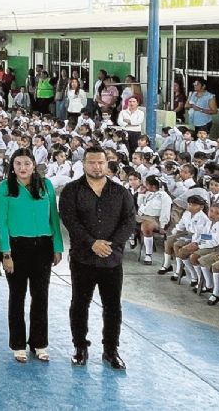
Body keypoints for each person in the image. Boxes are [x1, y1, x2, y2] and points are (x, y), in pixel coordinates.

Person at [59, 146, 135, 370]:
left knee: (113, 307)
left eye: (100, 162)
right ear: (83, 164)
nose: (97, 166)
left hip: (111, 260)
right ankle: (80, 347)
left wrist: (110, 245)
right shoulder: (72, 191)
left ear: (107, 163)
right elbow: (70, 220)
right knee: (80, 304)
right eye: (92, 162)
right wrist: (92, 242)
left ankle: (111, 350)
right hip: (83, 258)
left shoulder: (121, 192)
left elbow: (129, 222)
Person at [0, 148, 63, 363]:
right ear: (12, 167)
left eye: (27, 163)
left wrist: (57, 246)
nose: (22, 168)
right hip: (16, 247)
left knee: (40, 296)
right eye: (18, 164)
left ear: (34, 165)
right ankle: (18, 345)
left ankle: (39, 343)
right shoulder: (4, 189)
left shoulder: (46, 186)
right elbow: (0, 223)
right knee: (17, 296)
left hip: (43, 246)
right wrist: (5, 253)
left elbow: (53, 217)